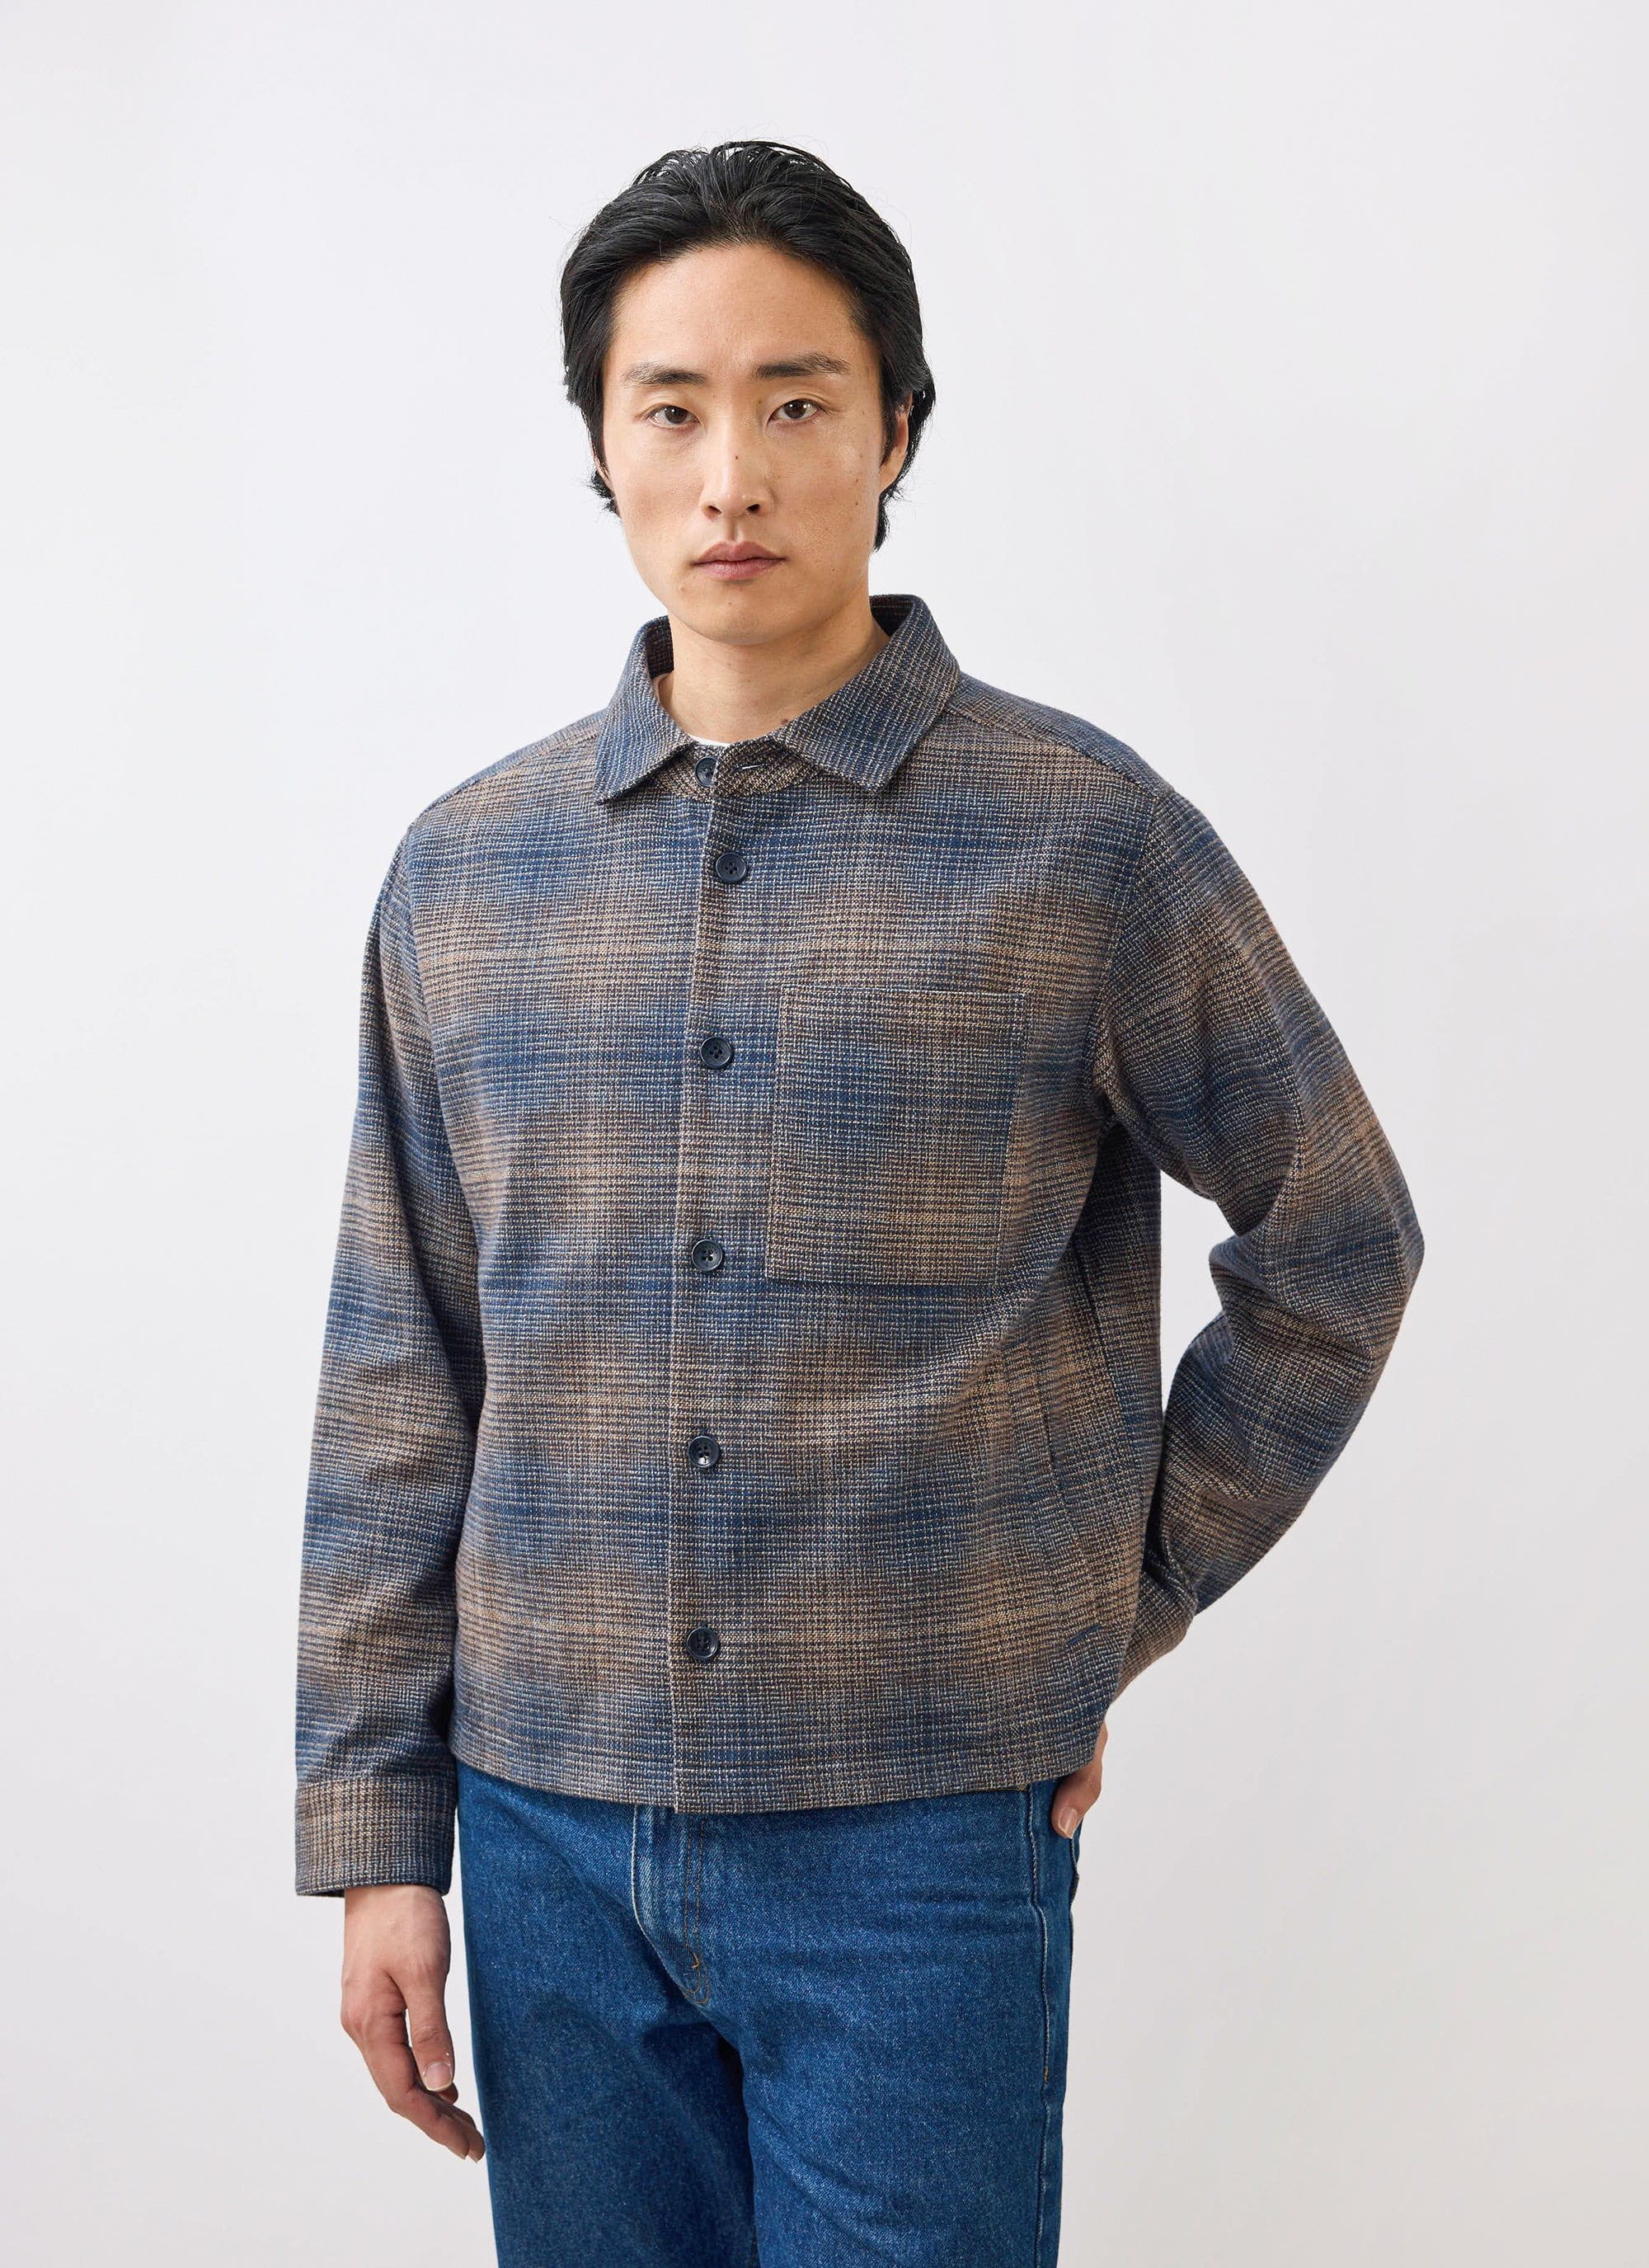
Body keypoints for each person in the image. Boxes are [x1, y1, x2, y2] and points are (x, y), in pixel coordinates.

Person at [294, 139, 1426, 2266]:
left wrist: (1118, 1600)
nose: (734, 472)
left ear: (897, 434)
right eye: (674, 407)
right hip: (544, 1842)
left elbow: (1339, 1234)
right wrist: (377, 1834)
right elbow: (399, 1364)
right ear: (601, 450)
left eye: (799, 403)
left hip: (922, 1846)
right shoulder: (468, 875)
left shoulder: (1085, 844)